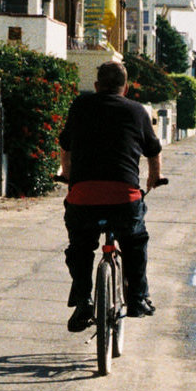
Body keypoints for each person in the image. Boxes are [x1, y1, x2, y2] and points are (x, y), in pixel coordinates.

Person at [58, 62, 164, 329]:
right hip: (124, 199)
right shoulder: (137, 110)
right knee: (136, 241)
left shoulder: (80, 105)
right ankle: (138, 299)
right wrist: (153, 179)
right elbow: (153, 151)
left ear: (96, 86)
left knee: (80, 248)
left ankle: (84, 300)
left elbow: (66, 147)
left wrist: (68, 176)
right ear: (125, 88)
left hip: (84, 198)